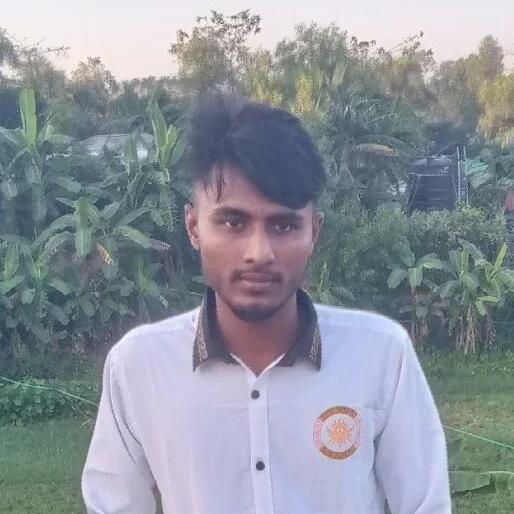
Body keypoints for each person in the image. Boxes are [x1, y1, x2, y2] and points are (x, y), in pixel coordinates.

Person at [82, 94, 451, 514]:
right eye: (233, 222)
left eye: (284, 225)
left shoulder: (381, 355)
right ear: (194, 227)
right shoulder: (139, 366)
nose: (259, 252)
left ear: (314, 232)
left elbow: (425, 505)